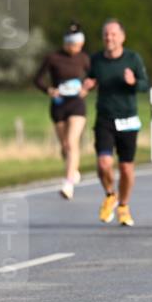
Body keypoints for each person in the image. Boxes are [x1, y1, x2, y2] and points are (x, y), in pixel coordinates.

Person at [87, 19, 149, 226]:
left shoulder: (132, 59)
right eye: (106, 34)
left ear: (122, 37)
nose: (109, 38)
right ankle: (110, 194)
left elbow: (145, 84)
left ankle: (123, 206)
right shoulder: (96, 60)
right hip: (105, 118)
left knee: (125, 169)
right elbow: (89, 79)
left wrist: (134, 82)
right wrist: (87, 84)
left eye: (113, 34)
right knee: (104, 163)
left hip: (128, 118)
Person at [34, 21, 94, 199]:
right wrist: (49, 90)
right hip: (59, 104)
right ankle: (72, 169)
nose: (77, 48)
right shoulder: (53, 58)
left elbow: (94, 77)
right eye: (74, 45)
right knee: (65, 146)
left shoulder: (83, 59)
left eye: (79, 45)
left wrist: (87, 88)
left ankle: (68, 183)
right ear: (66, 43)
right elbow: (37, 79)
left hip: (76, 103)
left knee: (72, 141)